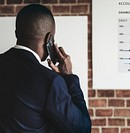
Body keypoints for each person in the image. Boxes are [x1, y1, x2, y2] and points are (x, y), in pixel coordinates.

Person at [0, 4, 91, 133]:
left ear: (16, 33)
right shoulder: (50, 81)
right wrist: (69, 76)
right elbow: (82, 128)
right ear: (49, 39)